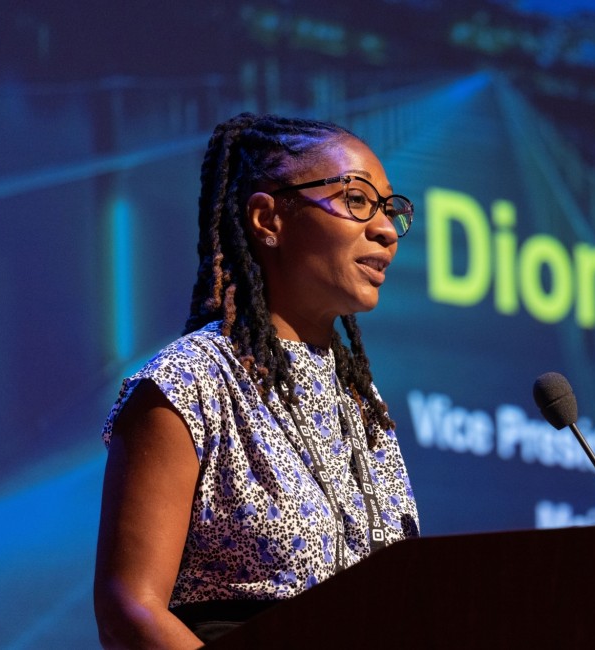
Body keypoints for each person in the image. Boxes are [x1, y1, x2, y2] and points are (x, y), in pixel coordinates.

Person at [93, 112, 420, 648]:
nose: (385, 229)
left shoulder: (361, 402)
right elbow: (130, 609)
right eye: (358, 201)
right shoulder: (189, 382)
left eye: (390, 210)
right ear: (268, 219)